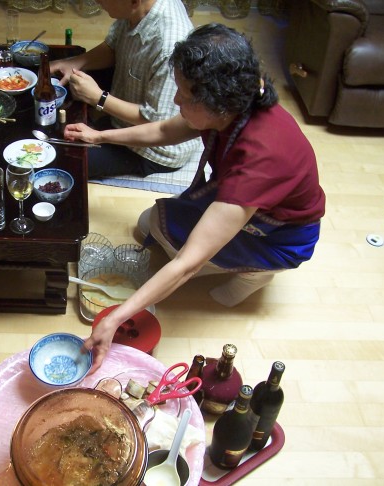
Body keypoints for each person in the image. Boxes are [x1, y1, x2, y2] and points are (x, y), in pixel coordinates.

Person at [66, 23, 326, 372]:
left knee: (201, 273)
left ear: (218, 104)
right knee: (148, 224)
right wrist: (100, 137)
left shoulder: (262, 156)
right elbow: (163, 129)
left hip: (277, 234)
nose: (176, 101)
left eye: (185, 96)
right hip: (237, 193)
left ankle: (260, 272)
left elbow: (185, 265)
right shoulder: (235, 101)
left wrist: (116, 317)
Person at [49, 0, 200, 179]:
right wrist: (71, 62)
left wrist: (98, 98)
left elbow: (154, 122)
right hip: (129, 93)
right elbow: (113, 47)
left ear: (134, 2)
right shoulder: (135, 9)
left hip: (153, 145)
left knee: (64, 159)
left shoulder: (168, 44)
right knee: (69, 79)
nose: (97, 2)